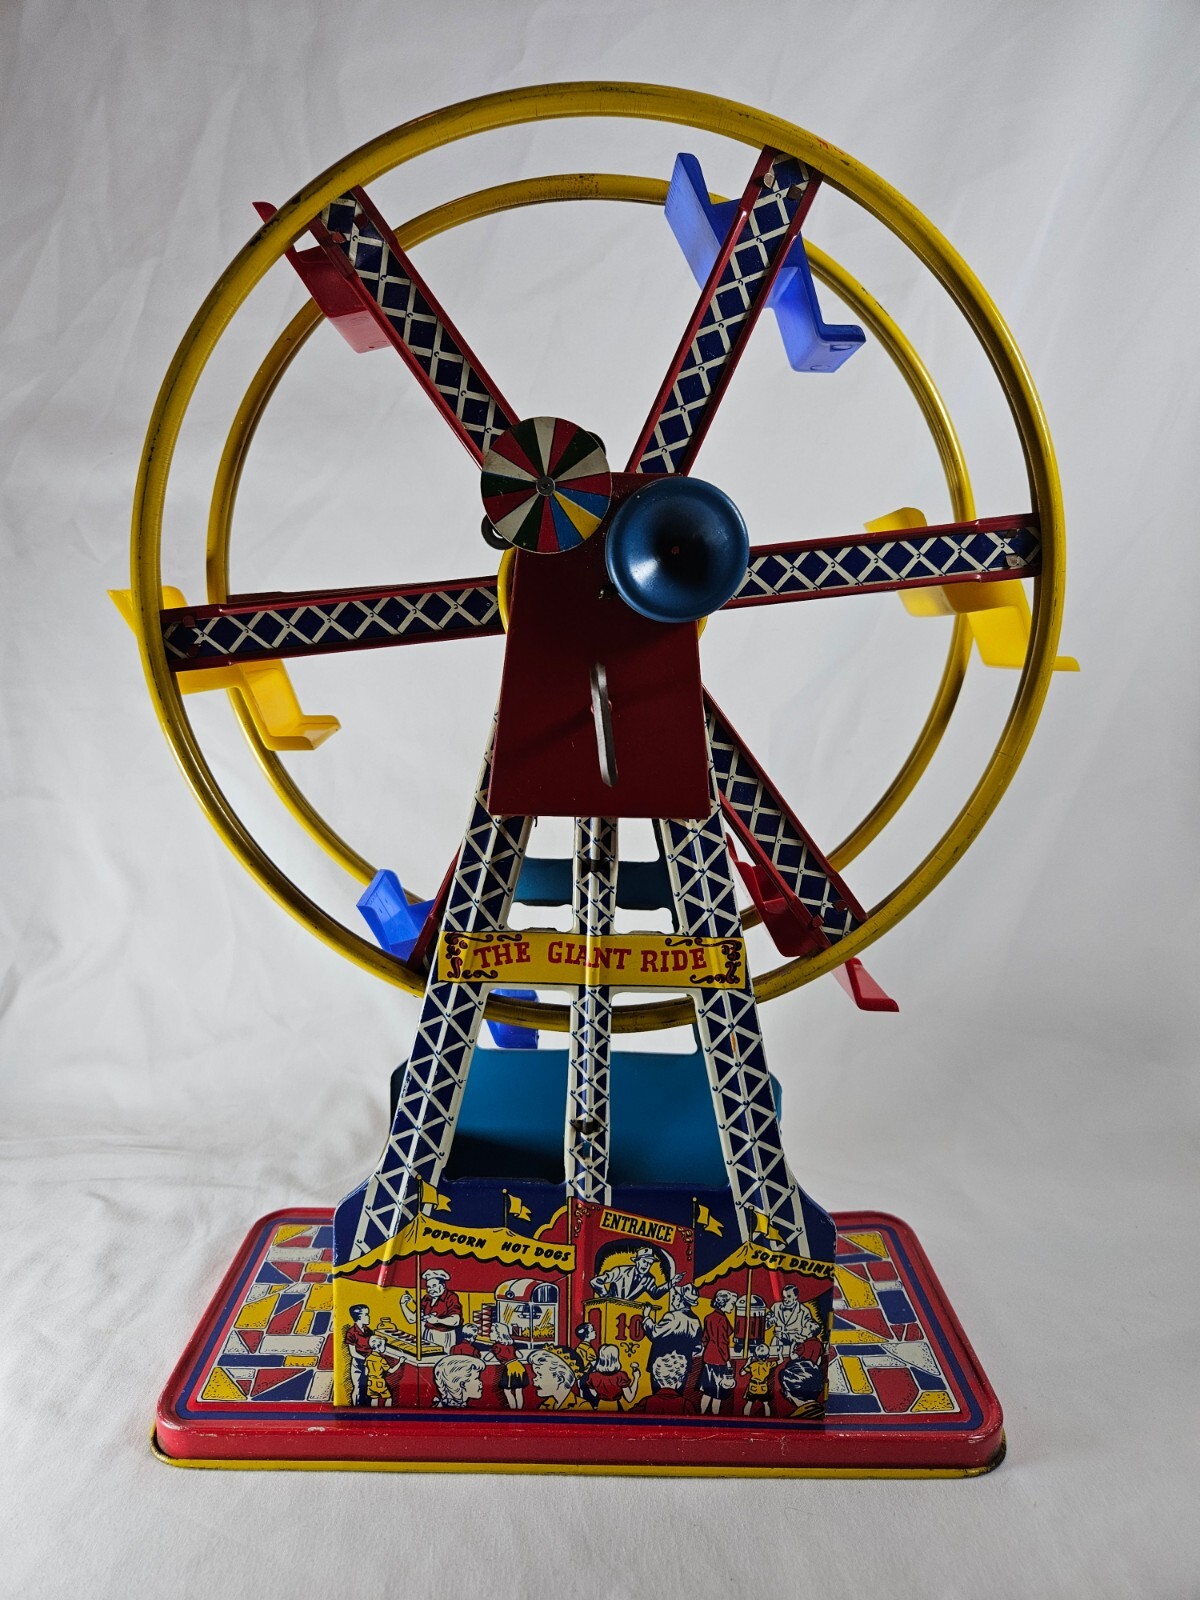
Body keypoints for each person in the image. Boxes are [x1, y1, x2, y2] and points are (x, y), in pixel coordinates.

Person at [642, 1281, 702, 1390]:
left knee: (659, 1398)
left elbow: (654, 1333)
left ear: (681, 1299)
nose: (674, 1297)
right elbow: (698, 1347)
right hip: (682, 1367)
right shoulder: (696, 1321)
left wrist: (646, 1317)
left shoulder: (672, 1317)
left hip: (662, 1365)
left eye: (676, 1296)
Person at [698, 1289, 738, 1415]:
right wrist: (727, 1361)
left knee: (707, 1392)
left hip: (708, 1358)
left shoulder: (709, 1317)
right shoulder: (722, 1320)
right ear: (723, 1303)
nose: (733, 1307)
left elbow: (704, 1338)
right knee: (717, 1393)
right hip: (719, 1361)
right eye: (732, 1303)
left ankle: (701, 1415)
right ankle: (715, 1417)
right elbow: (722, 1342)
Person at [590, 1246, 662, 1303]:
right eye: (644, 1261)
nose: (646, 1265)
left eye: (650, 1263)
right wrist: (606, 1297)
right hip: (610, 1308)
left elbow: (655, 1294)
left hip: (627, 1312)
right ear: (637, 1261)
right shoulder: (620, 1271)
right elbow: (595, 1281)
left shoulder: (649, 1279)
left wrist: (670, 1283)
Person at [529, 1346, 590, 1411]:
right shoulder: (545, 1405)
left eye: (540, 1375)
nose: (534, 1379)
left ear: (560, 1379)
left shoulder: (582, 1406)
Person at [587, 1345, 641, 1411]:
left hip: (600, 1405)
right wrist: (636, 1378)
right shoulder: (620, 1376)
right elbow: (629, 1398)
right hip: (615, 1407)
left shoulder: (593, 1376)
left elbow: (594, 1394)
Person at [490, 1319, 529, 1410]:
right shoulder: (511, 1345)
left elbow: (487, 1358)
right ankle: (519, 1410)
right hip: (519, 1366)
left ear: (498, 1333)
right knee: (519, 1391)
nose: (490, 1334)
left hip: (509, 1368)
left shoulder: (496, 1346)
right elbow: (520, 1355)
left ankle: (513, 1409)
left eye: (492, 1331)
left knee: (507, 1391)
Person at [343, 1304, 374, 1406]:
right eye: (366, 1314)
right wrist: (366, 1360)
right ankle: (355, 1407)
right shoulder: (351, 1332)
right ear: (358, 1317)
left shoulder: (369, 1331)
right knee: (358, 1387)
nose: (369, 1317)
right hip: (358, 1363)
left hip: (370, 1362)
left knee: (369, 1387)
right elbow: (353, 1353)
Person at [363, 1334, 402, 1408]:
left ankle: (373, 1413)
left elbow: (366, 1372)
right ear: (379, 1347)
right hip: (380, 1382)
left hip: (371, 1382)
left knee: (374, 1398)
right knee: (389, 1397)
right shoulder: (381, 1360)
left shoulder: (368, 1358)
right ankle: (388, 1412)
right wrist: (400, 1362)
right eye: (384, 1345)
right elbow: (391, 1370)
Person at [742, 1343, 774, 1417]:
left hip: (753, 1387)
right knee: (766, 1404)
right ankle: (768, 1420)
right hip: (763, 1387)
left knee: (749, 1403)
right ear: (768, 1355)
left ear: (755, 1355)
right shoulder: (768, 1364)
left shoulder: (753, 1365)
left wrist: (748, 1362)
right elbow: (780, 1361)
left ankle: (745, 1418)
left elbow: (742, 1373)